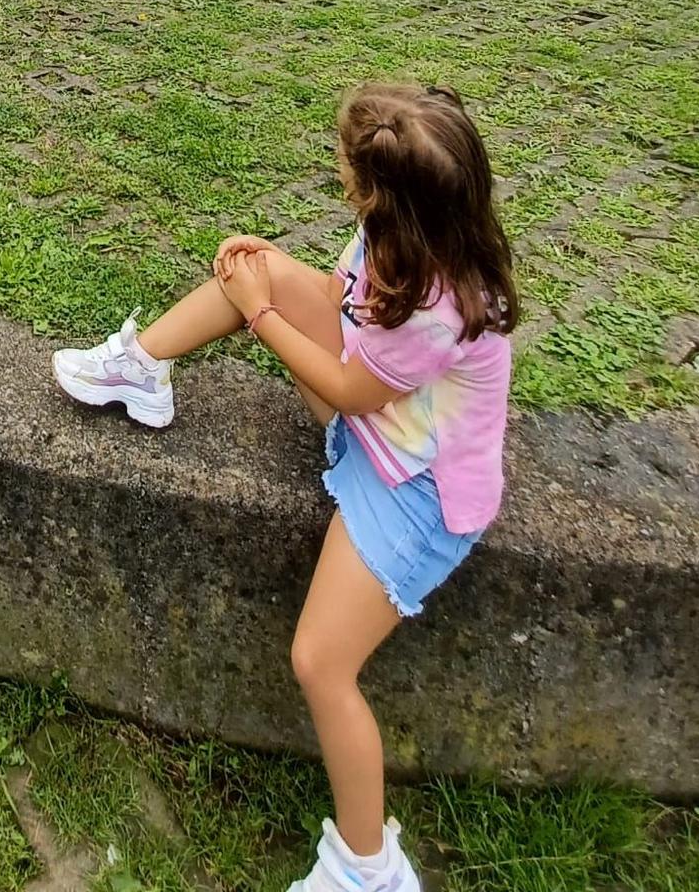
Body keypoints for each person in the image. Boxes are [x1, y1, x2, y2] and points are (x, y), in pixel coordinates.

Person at [53, 83, 517, 892]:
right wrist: (263, 266)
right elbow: (346, 314)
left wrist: (262, 314)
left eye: (353, 176)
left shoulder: (441, 312)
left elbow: (346, 389)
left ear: (391, 200)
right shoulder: (408, 235)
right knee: (252, 267)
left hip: (415, 492)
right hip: (380, 421)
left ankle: (371, 868)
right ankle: (143, 367)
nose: (342, 180)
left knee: (320, 662)